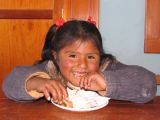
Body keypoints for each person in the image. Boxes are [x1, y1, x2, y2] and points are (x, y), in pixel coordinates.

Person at [2, 18, 157, 104]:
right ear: (56, 56)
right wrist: (37, 83)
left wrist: (106, 83)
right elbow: (9, 84)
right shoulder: (50, 70)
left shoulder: (106, 68)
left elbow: (148, 84)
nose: (82, 65)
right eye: (72, 56)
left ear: (100, 56)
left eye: (91, 57)